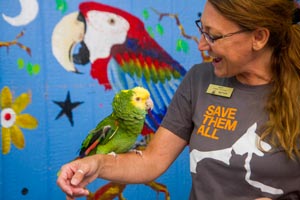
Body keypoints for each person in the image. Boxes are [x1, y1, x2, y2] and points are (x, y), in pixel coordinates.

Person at [57, 0, 300, 199]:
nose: (203, 45)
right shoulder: (199, 79)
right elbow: (152, 160)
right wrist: (97, 164)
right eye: (202, 30)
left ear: (259, 37)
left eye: (214, 36)